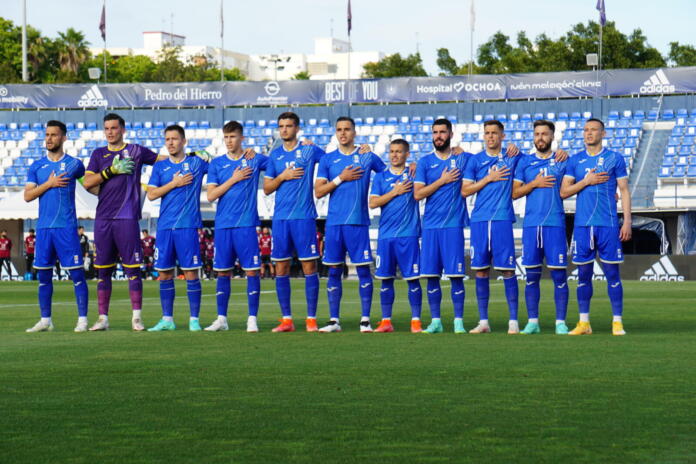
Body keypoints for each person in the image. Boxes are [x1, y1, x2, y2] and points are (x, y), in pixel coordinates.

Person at [83, 113, 160, 331]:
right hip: (104, 219)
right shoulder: (98, 154)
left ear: (123, 129)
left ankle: (136, 318)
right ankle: (102, 319)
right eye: (106, 128)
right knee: (103, 271)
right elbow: (88, 182)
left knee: (133, 269)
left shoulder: (136, 151)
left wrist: (191, 155)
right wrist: (110, 171)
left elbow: (164, 160)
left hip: (127, 217)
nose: (110, 132)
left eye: (114, 128)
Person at [561, 118, 632, 336]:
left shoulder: (614, 158)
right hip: (582, 226)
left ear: (604, 133)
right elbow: (564, 192)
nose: (589, 133)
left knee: (612, 273)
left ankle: (617, 322)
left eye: (593, 130)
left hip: (608, 224)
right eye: (586, 130)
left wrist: (627, 221)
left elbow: (624, 190)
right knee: (583, 275)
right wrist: (586, 181)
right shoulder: (575, 161)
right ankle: (584, 323)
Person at [314, 116, 386, 333]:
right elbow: (319, 192)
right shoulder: (328, 160)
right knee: (334, 271)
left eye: (347, 129)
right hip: (334, 224)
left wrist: (410, 166)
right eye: (339, 129)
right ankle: (334, 320)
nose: (343, 133)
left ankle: (365, 320)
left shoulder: (366, 156)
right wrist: (341, 178)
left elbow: (389, 174)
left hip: (358, 223)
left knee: (364, 271)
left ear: (354, 132)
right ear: (335, 133)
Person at [23, 120, 89, 332]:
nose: (49, 138)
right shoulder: (37, 166)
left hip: (66, 228)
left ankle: (83, 320)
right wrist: (49, 184)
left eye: (53, 135)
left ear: (63, 138)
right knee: (43, 276)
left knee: (77, 274)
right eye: (47, 135)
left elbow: (89, 183)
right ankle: (45, 320)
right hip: (43, 229)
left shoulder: (74, 164)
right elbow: (27, 196)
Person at [262, 111, 325, 332]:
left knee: (309, 266)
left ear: (297, 128)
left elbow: (333, 160)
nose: (284, 130)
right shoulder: (275, 156)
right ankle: (286, 319)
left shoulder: (309, 150)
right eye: (281, 126)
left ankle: (311, 319)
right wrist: (282, 177)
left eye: (288, 126)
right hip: (281, 219)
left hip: (304, 217)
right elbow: (267, 188)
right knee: (281, 267)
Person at [205, 121, 267, 332]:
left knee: (252, 271)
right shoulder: (216, 164)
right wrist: (233, 179)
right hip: (223, 226)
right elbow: (211, 195)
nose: (229, 141)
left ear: (242, 138)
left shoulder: (254, 159)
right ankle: (222, 319)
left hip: (246, 225)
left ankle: (252, 319)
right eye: (226, 137)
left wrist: (305, 144)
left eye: (233, 137)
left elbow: (277, 163)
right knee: (222, 272)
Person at [146, 124, 208, 332]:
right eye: (167, 140)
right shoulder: (160, 167)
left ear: (184, 141)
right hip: (164, 228)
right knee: (164, 274)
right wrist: (174, 183)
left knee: (191, 273)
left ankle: (194, 320)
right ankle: (167, 319)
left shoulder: (196, 163)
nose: (170, 143)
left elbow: (221, 165)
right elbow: (152, 194)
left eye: (174, 139)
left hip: (187, 227)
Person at [512, 120, 570, 335]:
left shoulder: (563, 161)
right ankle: (533, 322)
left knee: (559, 276)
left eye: (544, 134)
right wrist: (534, 184)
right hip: (531, 226)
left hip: (555, 224)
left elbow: (574, 184)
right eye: (537, 134)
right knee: (531, 276)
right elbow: (514, 193)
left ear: (552, 137)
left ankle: (560, 323)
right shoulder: (525, 163)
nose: (540, 138)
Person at [413, 118, 469, 334]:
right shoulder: (425, 163)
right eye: (435, 132)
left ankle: (458, 322)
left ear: (451, 134)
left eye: (442, 132)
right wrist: (441, 181)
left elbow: (485, 161)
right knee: (432, 275)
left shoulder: (462, 159)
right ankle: (435, 321)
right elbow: (418, 194)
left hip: (453, 226)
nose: (438, 136)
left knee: (455, 276)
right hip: (430, 227)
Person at [369, 139, 423, 333]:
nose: (394, 155)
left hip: (408, 235)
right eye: (392, 151)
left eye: (399, 151)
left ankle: (416, 321)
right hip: (385, 236)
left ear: (407, 154)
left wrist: (416, 166)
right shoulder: (381, 178)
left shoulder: (413, 173)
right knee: (385, 279)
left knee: (413, 279)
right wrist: (395, 192)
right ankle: (386, 321)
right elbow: (373, 203)